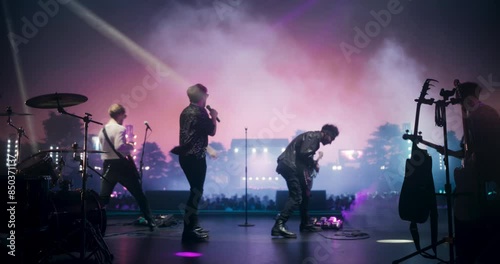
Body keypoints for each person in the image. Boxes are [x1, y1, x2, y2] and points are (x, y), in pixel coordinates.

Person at [435, 82, 500, 263]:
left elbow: (485, 149)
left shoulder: (482, 116)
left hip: (486, 177)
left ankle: (471, 250)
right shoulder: (480, 115)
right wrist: (448, 151)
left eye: (461, 100)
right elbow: (470, 151)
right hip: (483, 176)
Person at [271, 124, 339, 238]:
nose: (331, 142)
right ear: (326, 133)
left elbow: (302, 156)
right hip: (289, 165)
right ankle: (279, 225)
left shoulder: (313, 137)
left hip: (290, 165)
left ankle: (305, 224)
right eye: (332, 138)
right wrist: (313, 164)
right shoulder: (314, 137)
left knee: (304, 195)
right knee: (296, 197)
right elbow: (303, 154)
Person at [171, 83, 218, 243]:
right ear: (202, 97)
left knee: (195, 190)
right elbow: (211, 131)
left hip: (185, 156)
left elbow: (193, 135)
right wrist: (213, 116)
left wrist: (209, 149)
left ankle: (193, 226)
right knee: (196, 192)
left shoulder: (185, 112)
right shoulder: (200, 112)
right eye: (206, 95)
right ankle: (188, 230)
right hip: (195, 157)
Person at [98, 103, 156, 231]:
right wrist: (130, 146)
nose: (124, 118)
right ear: (119, 114)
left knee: (103, 198)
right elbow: (119, 147)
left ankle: (95, 222)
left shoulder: (102, 130)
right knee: (139, 195)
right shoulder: (120, 129)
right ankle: (150, 220)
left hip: (107, 165)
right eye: (124, 115)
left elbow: (103, 148)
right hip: (121, 166)